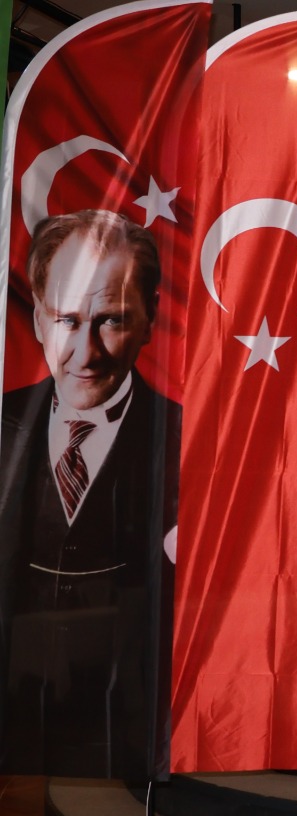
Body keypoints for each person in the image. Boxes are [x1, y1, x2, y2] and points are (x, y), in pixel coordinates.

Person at [0, 209, 180, 778]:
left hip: (131, 733)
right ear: (37, 319)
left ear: (150, 317)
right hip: (12, 731)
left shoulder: (192, 442)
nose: (86, 352)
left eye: (111, 320)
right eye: (67, 320)